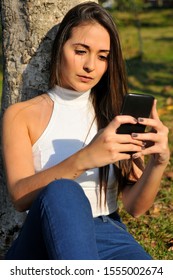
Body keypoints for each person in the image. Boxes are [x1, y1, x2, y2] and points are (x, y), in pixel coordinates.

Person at [2, 1, 170, 260]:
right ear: (60, 48)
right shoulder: (21, 115)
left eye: (102, 56)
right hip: (45, 236)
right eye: (81, 51)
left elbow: (135, 207)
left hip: (108, 233)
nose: (91, 65)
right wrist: (87, 157)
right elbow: (20, 196)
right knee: (63, 190)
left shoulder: (115, 115)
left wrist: (158, 163)